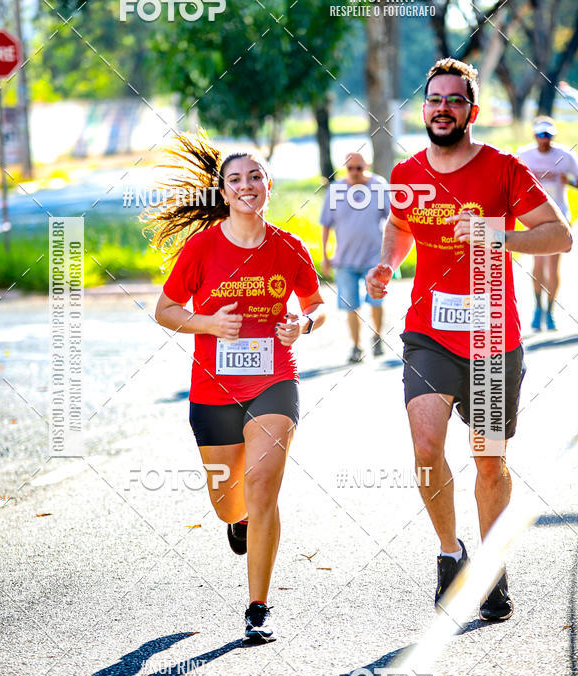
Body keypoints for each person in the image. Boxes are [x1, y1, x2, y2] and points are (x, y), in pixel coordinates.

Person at [367, 58, 572, 622]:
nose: (442, 108)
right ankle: (449, 553)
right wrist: (387, 265)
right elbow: (400, 228)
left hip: (491, 340)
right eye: (434, 99)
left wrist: (495, 233)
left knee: (488, 461)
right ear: (424, 107)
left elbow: (560, 236)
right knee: (427, 446)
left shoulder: (504, 170)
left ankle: (492, 565)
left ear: (471, 112)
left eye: (454, 100)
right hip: (429, 334)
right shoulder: (408, 174)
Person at [149, 133, 326, 643]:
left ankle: (258, 607)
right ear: (223, 192)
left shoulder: (289, 247)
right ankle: (239, 520)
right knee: (229, 502)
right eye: (235, 180)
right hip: (213, 389)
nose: (246, 186)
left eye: (255, 177)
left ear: (268, 185)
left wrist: (304, 324)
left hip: (275, 380)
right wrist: (207, 324)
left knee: (264, 485)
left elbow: (317, 304)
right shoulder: (202, 248)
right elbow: (165, 310)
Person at [320, 152, 389, 363]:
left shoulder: (378, 185)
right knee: (350, 305)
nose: (355, 173)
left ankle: (377, 336)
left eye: (359, 168)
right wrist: (324, 255)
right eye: (350, 168)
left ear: (366, 166)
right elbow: (326, 225)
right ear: (345, 168)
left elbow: (393, 220)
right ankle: (356, 346)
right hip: (345, 259)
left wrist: (389, 255)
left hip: (373, 257)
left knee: (376, 301)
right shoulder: (335, 190)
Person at [518, 116, 578, 331]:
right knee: (538, 264)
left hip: (560, 215)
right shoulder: (524, 156)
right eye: (541, 135)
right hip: (534, 216)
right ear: (535, 135)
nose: (545, 140)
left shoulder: (565, 156)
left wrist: (568, 181)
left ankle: (550, 311)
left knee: (552, 266)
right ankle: (537, 309)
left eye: (549, 135)